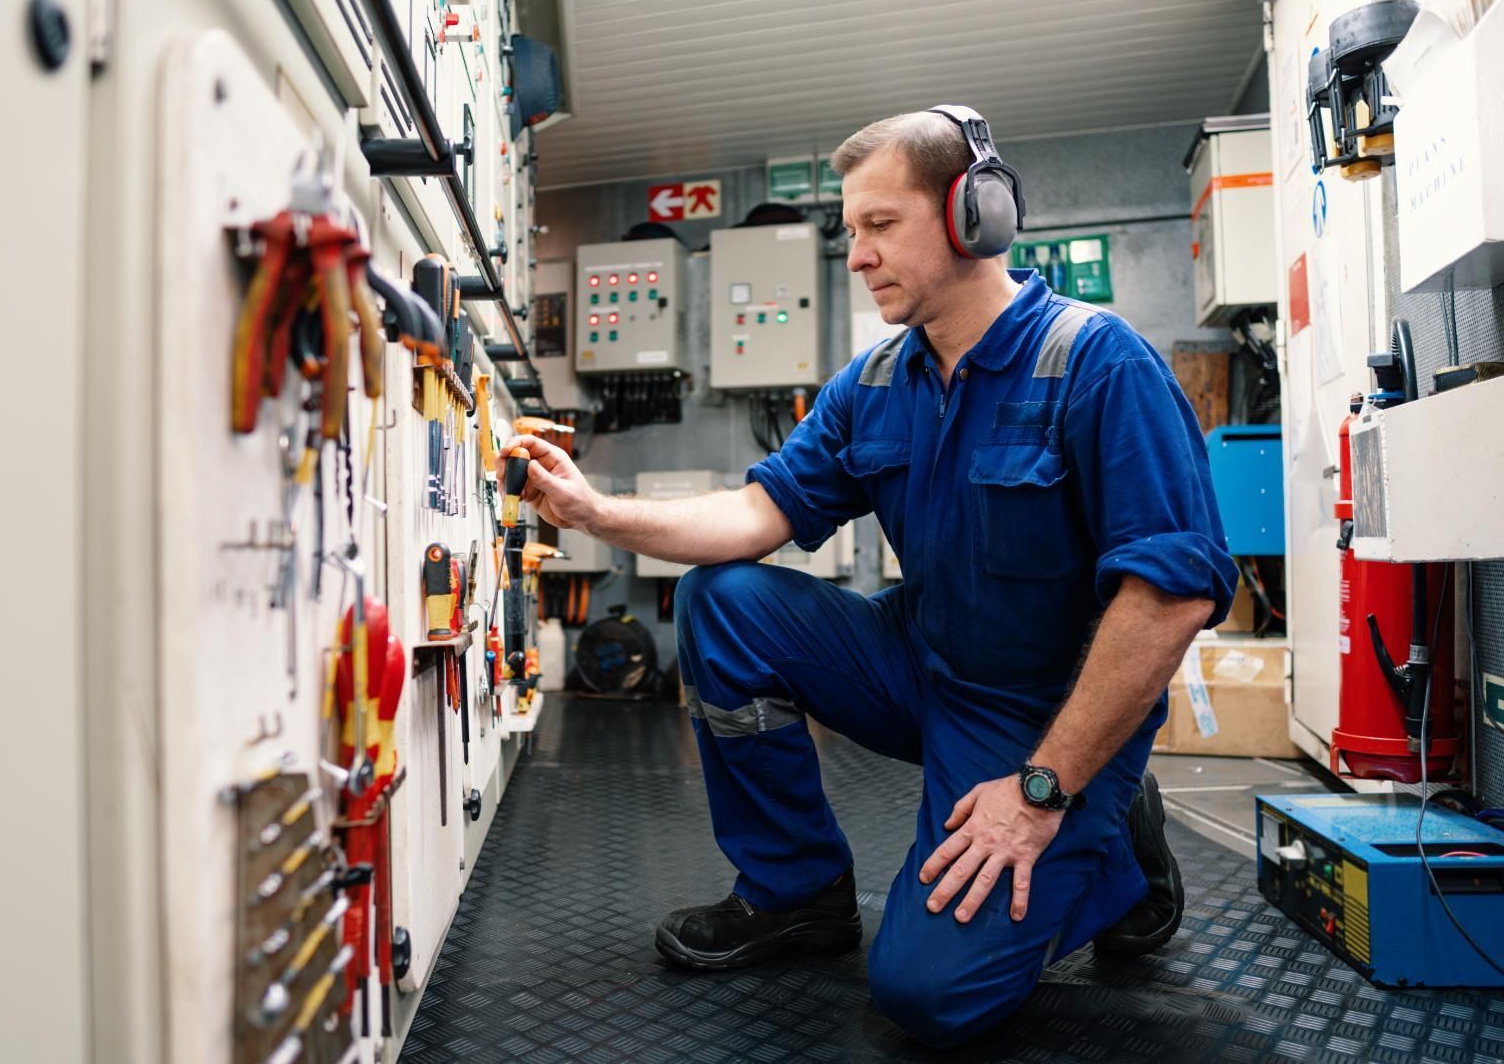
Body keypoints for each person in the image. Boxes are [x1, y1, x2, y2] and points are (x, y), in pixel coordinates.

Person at [496, 107, 1236, 1048]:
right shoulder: (878, 382)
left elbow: (1170, 597)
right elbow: (753, 518)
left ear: (977, 216)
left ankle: (1114, 833)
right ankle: (796, 892)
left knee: (928, 998)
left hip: (1038, 718)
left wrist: (1042, 791)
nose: (857, 255)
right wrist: (599, 512)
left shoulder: (1095, 363)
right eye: (852, 231)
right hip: (917, 660)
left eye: (880, 226)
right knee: (722, 600)